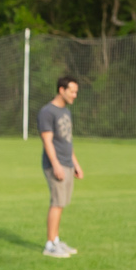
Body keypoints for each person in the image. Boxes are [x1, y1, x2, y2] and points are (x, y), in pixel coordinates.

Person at [39, 76, 83, 258]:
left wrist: (75, 164)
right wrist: (56, 164)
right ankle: (49, 245)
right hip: (54, 164)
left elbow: (67, 141)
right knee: (56, 203)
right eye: (72, 91)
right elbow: (47, 141)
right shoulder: (47, 112)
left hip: (67, 163)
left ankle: (56, 241)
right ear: (61, 90)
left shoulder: (66, 112)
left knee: (62, 203)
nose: (75, 95)